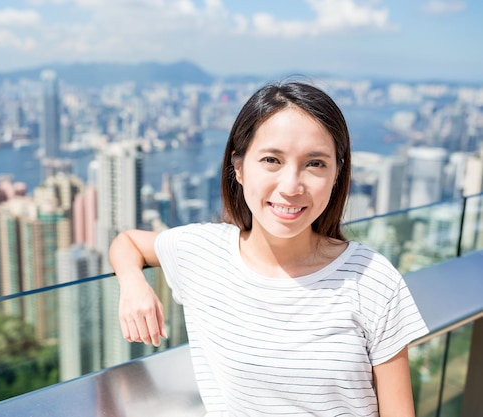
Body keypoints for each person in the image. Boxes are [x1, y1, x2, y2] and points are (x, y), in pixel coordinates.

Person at [109, 81, 428, 416]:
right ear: (239, 167)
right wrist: (133, 285)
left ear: (337, 174)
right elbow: (127, 242)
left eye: (315, 163)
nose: (291, 186)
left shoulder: (372, 279)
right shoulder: (203, 253)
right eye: (272, 160)